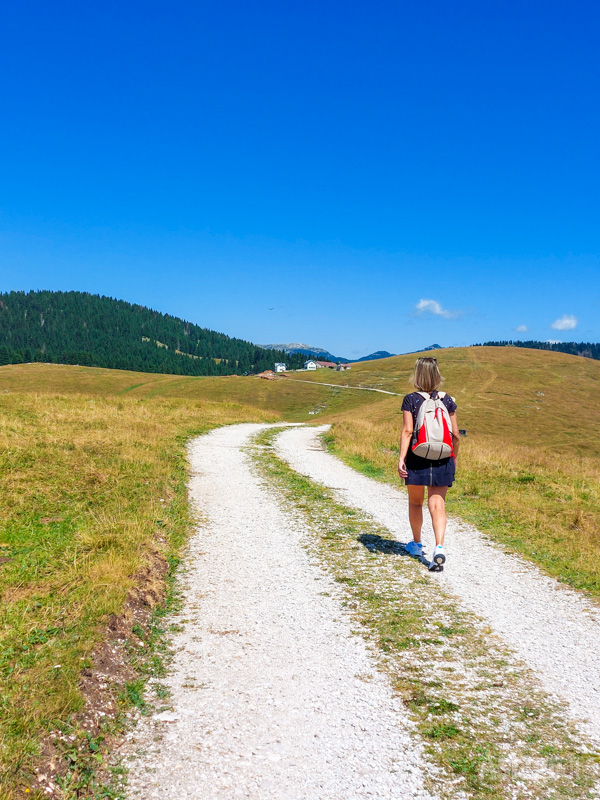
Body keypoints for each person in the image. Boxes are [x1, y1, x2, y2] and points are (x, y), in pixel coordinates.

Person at [397, 357, 460, 570]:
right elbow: (455, 435)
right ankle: (439, 547)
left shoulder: (411, 400)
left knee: (416, 503)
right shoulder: (447, 399)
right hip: (443, 457)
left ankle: (416, 544)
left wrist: (401, 459)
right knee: (437, 504)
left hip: (417, 457)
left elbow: (407, 431)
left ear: (417, 375)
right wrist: (455, 458)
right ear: (437, 375)